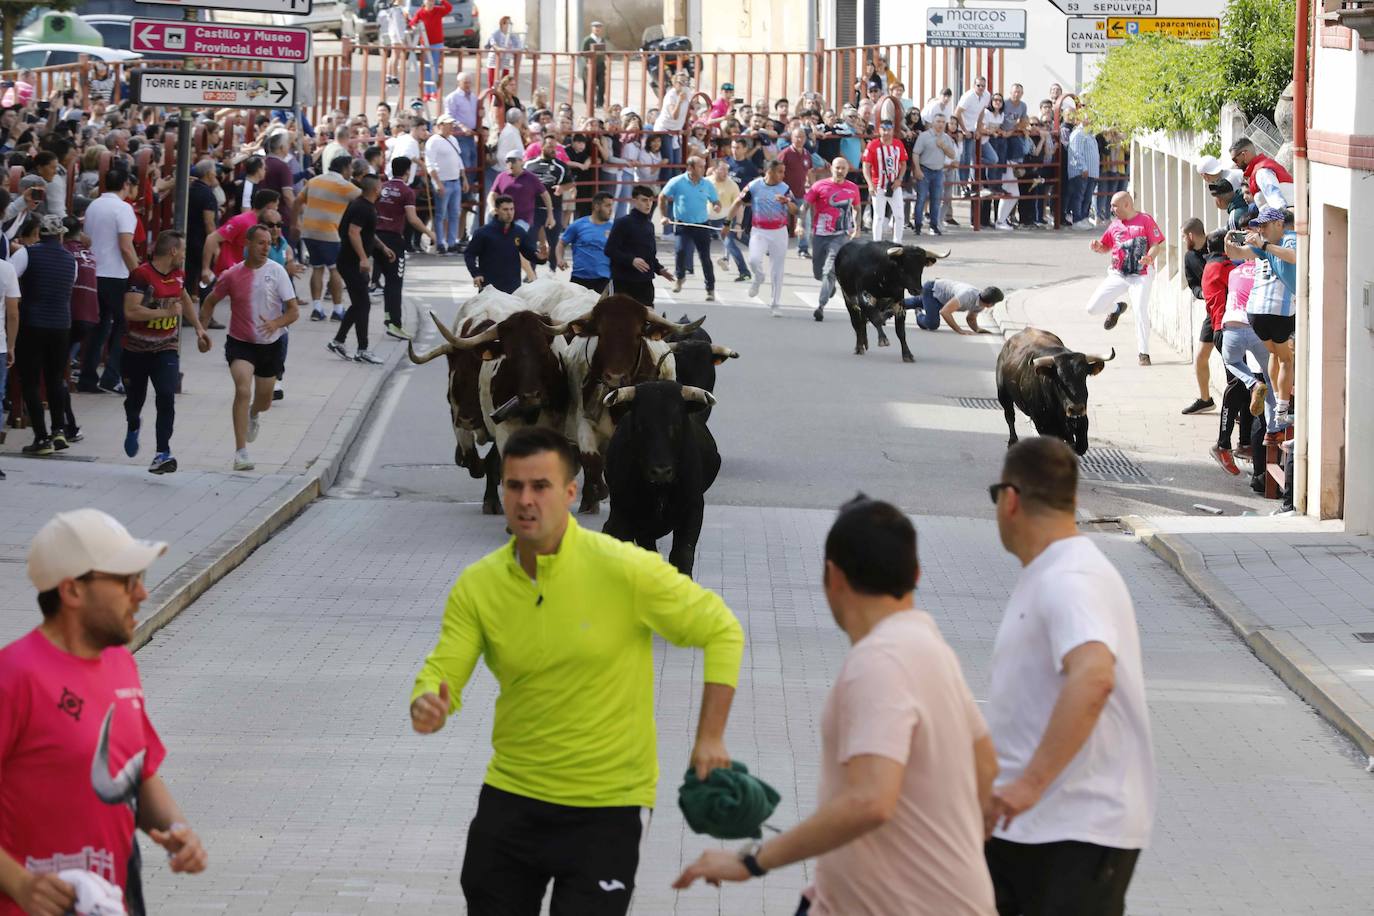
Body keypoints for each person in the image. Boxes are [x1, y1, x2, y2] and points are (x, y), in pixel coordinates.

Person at [409, 426, 742, 913]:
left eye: (540, 486)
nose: (526, 500)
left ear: (570, 492)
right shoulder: (478, 586)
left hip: (607, 804)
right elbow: (445, 667)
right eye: (514, 486)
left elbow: (722, 630)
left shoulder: (623, 569)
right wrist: (429, 701)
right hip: (513, 796)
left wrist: (710, 737)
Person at [675, 496, 996, 916]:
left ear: (832, 575)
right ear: (916, 574)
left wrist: (752, 861)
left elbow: (870, 801)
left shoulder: (879, 661)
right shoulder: (930, 646)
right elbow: (986, 768)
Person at [0, 509, 207, 916]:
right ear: (72, 591)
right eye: (127, 581)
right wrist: (20, 883)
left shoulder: (120, 664)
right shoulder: (14, 677)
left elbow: (139, 770)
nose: (142, 594)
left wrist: (177, 829)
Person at [985, 437, 1155, 916]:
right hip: (1032, 831)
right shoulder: (1049, 574)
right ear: (1073, 500)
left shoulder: (1071, 578)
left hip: (1073, 834)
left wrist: (1028, 785)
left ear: (1010, 498)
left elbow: (1093, 676)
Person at [200, 225, 301, 471]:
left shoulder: (277, 272)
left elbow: (294, 311)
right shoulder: (232, 274)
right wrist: (201, 331)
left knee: (264, 401)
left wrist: (276, 323)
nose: (266, 247)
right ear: (247, 244)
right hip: (241, 344)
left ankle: (254, 414)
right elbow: (211, 301)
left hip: (271, 345)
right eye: (260, 243)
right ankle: (241, 452)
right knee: (243, 391)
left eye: (269, 243)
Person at [121, 230, 212, 475]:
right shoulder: (141, 275)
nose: (184, 255)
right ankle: (133, 426)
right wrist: (164, 314)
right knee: (135, 401)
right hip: (136, 350)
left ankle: (163, 453)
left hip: (166, 348)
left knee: (166, 396)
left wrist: (199, 329)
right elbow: (130, 311)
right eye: (182, 250)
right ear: (173, 251)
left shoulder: (179, 275)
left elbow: (184, 299)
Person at [1225, 206, 1297, 432]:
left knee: (1274, 355)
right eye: (1260, 227)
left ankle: (1276, 405)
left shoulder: (1273, 244)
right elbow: (1236, 254)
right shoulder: (1284, 241)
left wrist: (1261, 245)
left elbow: (1239, 255)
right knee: (1285, 358)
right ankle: (1282, 411)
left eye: (1264, 226)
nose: (1261, 230)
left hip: (1255, 313)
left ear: (1278, 224)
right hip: (1279, 310)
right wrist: (1229, 242)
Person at [13, 215, 78, 457]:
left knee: (30, 381)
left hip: (32, 324)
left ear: (40, 233)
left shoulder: (27, 254)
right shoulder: (71, 261)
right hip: (61, 325)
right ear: (60, 234)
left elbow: (10, 278)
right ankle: (59, 430)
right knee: (54, 379)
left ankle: (41, 438)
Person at [1084, 192, 1165, 366]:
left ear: (1127, 204)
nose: (1112, 210)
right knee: (1092, 308)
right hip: (1118, 274)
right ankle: (1116, 309)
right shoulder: (1114, 225)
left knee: (1140, 310)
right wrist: (1098, 247)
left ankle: (1144, 353)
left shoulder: (1145, 220)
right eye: (1112, 206)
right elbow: (1106, 246)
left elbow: (1156, 245)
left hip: (1141, 274)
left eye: (1115, 206)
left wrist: (1149, 258)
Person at [79, 169, 138, 394]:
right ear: (125, 184)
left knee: (99, 326)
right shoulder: (123, 209)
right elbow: (126, 245)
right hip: (115, 275)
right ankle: (112, 375)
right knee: (126, 325)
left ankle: (87, 377)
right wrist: (138, 273)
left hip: (93, 272)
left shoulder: (94, 205)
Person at [327, 175, 394, 365]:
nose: (382, 188)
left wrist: (382, 247)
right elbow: (353, 232)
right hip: (351, 263)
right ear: (375, 189)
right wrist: (364, 258)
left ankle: (338, 341)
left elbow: (367, 234)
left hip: (352, 262)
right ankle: (362, 350)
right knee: (363, 304)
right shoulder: (362, 207)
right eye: (381, 185)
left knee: (359, 304)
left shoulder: (364, 205)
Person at [376, 156, 437, 340]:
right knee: (395, 282)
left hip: (377, 238)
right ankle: (396, 324)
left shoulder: (382, 187)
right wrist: (429, 232)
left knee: (387, 280)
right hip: (394, 240)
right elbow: (412, 219)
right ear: (407, 172)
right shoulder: (407, 191)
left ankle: (388, 316)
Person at [725, 160, 795, 316]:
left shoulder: (785, 188)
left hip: (779, 232)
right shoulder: (754, 186)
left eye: (784, 172)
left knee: (777, 269)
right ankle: (758, 277)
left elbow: (796, 211)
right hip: (759, 231)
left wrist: (787, 202)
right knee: (754, 260)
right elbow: (738, 202)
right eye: (780, 172)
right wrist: (726, 222)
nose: (783, 175)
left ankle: (775, 304)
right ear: (769, 172)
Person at [298, 155, 360, 322]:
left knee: (317, 268)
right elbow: (365, 199)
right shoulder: (344, 185)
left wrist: (295, 223)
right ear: (346, 168)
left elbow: (298, 201)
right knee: (335, 269)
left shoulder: (315, 180)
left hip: (309, 231)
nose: (352, 172)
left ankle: (317, 309)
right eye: (351, 168)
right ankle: (338, 310)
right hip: (328, 233)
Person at [805, 157, 861, 321]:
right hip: (820, 234)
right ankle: (830, 288)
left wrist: (857, 227)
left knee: (828, 271)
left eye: (843, 168)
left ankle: (820, 306)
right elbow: (806, 204)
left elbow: (857, 208)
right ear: (831, 169)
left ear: (847, 170)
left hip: (840, 235)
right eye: (837, 168)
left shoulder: (852, 188)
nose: (840, 171)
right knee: (818, 272)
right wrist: (801, 222)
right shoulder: (819, 186)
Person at [660, 156, 720, 301]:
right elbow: (662, 196)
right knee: (680, 251)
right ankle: (680, 278)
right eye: (699, 166)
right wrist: (663, 216)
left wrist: (717, 205)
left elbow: (715, 200)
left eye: (703, 166)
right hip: (683, 224)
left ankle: (710, 289)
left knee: (705, 257)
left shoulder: (707, 184)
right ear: (690, 168)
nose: (703, 169)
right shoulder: (677, 182)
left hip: (702, 224)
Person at [606, 185, 674, 306]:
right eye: (644, 200)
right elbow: (610, 250)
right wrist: (631, 260)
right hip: (623, 282)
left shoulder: (650, 225)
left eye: (650, 200)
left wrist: (659, 269)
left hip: (645, 282)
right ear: (634, 201)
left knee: (648, 321)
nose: (648, 204)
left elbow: (649, 255)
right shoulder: (623, 222)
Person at [464, 194, 542, 294]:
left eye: (512, 209)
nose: (509, 213)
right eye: (505, 209)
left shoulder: (519, 232)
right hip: (489, 288)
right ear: (496, 210)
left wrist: (541, 257)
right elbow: (469, 254)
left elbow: (529, 253)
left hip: (513, 288)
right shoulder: (483, 232)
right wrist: (476, 273)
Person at [1180, 218, 1215, 415]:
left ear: (1191, 235)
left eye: (1184, 236)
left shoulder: (1216, 245)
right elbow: (1193, 284)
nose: (1184, 239)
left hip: (1230, 309)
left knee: (1232, 359)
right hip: (1211, 310)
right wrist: (1201, 293)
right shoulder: (1189, 257)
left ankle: (1239, 401)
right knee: (1201, 356)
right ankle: (1205, 399)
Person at [425, 115, 469, 254]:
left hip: (455, 181)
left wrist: (464, 178)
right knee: (441, 214)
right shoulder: (433, 141)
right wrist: (437, 183)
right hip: (443, 181)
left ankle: (451, 242)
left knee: (454, 213)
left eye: (451, 124)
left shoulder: (453, 139)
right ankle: (440, 243)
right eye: (448, 124)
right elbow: (429, 163)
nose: (451, 126)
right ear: (440, 125)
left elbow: (458, 160)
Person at [524, 135, 571, 261]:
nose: (553, 149)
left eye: (555, 147)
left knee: (554, 240)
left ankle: (552, 270)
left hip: (554, 207)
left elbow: (570, 183)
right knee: (530, 240)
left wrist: (562, 188)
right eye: (550, 146)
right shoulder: (529, 164)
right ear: (542, 147)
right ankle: (531, 272)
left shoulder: (560, 166)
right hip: (532, 208)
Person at [557, 191, 614, 293]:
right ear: (597, 207)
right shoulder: (578, 225)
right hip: (579, 278)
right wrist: (560, 259)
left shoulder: (614, 228)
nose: (611, 209)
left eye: (611, 206)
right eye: (607, 206)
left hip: (604, 279)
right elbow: (561, 243)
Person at [863, 120, 907, 243]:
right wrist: (870, 184)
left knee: (899, 216)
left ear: (893, 130)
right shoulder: (872, 145)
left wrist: (900, 179)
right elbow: (866, 166)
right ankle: (877, 242)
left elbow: (903, 164)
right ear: (879, 130)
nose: (886, 132)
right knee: (878, 217)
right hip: (879, 186)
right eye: (883, 129)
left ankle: (897, 242)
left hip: (894, 185)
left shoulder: (898, 144)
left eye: (889, 129)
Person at [912, 279, 1003, 334]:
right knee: (932, 324)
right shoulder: (967, 295)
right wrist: (959, 330)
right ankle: (918, 313)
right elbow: (945, 312)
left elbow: (971, 319)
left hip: (943, 300)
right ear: (990, 304)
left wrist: (977, 329)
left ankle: (902, 303)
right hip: (932, 290)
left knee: (909, 303)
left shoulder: (981, 304)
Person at [1228, 137, 1294, 211]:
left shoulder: (1261, 172)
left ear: (1244, 155)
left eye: (1235, 160)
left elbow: (1277, 202)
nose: (1235, 164)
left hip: (1285, 217)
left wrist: (1281, 219)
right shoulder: (1262, 167)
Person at [409, 0, 453, 102]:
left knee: (435, 67)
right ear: (424, 2)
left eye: (432, 1)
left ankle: (434, 92)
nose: (431, 3)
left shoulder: (438, 10)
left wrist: (442, 1)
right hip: (426, 44)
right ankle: (427, 93)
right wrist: (413, 26)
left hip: (437, 43)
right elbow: (413, 23)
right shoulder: (420, 12)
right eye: (429, 1)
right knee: (427, 69)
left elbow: (449, 8)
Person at [484, 16, 524, 87]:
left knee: (505, 82)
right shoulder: (496, 33)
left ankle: (503, 97)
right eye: (508, 23)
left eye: (511, 24)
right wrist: (499, 48)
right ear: (503, 24)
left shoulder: (512, 35)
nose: (510, 26)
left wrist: (519, 49)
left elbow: (518, 45)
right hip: (495, 59)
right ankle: (492, 97)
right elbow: (493, 43)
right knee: (493, 82)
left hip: (506, 59)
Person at [579, 21, 608, 108]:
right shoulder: (587, 39)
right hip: (589, 66)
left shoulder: (602, 40)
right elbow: (583, 53)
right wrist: (587, 63)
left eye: (599, 27)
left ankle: (600, 103)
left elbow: (603, 52)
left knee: (602, 84)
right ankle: (588, 102)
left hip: (600, 65)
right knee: (589, 84)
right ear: (592, 28)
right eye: (595, 27)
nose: (597, 29)